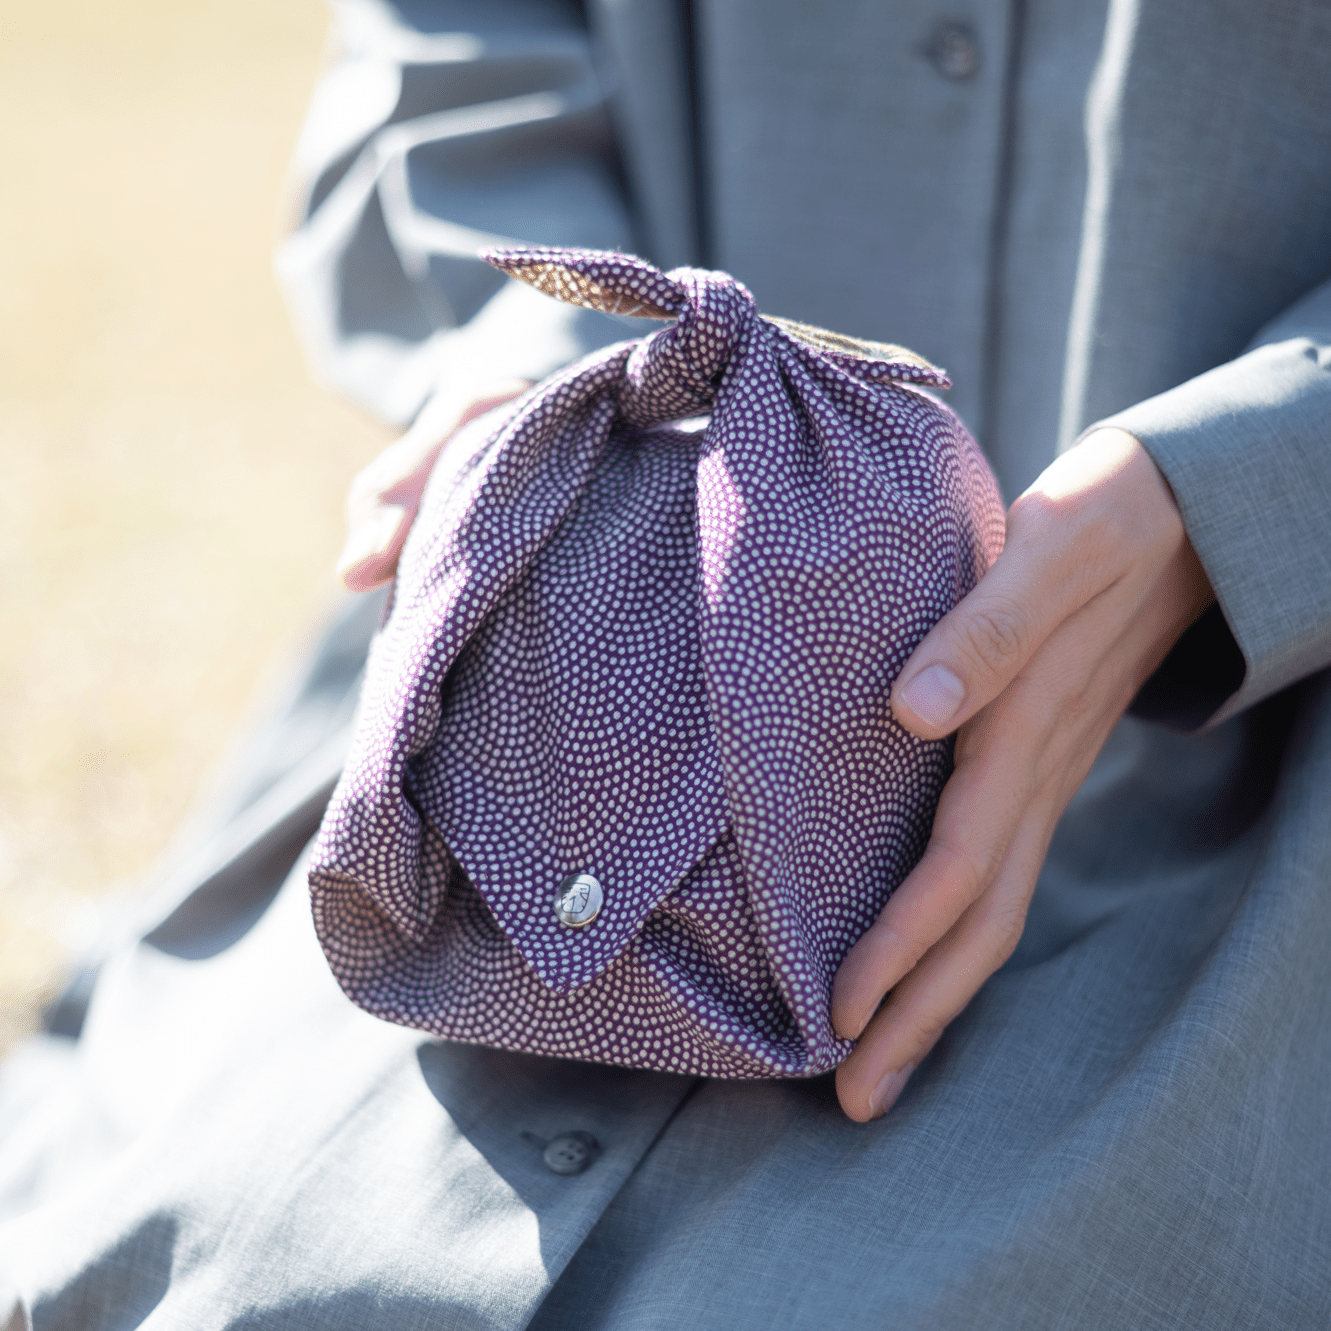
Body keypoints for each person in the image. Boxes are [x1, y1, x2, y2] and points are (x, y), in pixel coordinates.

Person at [2, 1, 1329, 1325]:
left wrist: (1240, 494)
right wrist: (543, 387)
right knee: (179, 1256)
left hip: (1234, 765)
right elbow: (444, 46)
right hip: (516, 689)